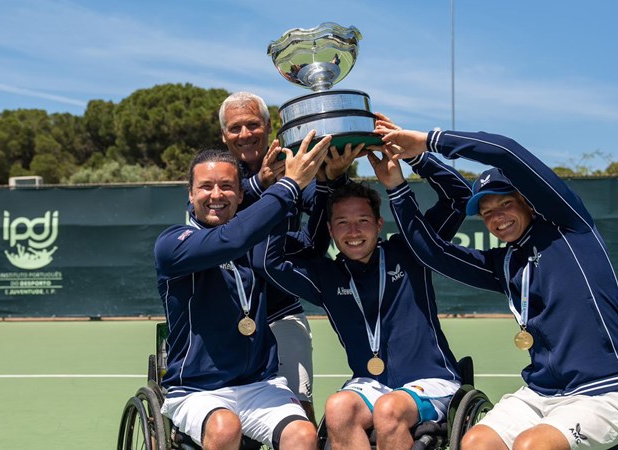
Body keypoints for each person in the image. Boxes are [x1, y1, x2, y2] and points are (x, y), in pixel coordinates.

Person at [376, 126, 618, 450]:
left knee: (532, 446)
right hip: (540, 395)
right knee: (475, 441)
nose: (497, 217)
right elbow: (433, 252)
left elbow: (506, 151)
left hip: (604, 393)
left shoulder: (570, 227)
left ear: (527, 203)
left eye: (505, 204)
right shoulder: (505, 264)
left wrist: (425, 147)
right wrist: (395, 186)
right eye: (487, 213)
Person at [253, 142, 472, 450]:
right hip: (370, 385)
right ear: (330, 230)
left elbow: (461, 197)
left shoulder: (411, 252)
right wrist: (286, 190)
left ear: (379, 224)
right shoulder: (325, 276)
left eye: (362, 221)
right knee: (338, 408)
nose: (353, 231)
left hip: (431, 382)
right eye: (342, 223)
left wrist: (414, 159)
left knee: (389, 409)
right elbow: (267, 261)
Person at [153, 130, 330, 450]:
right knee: (224, 428)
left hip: (260, 384)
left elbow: (309, 246)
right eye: (205, 187)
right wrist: (288, 186)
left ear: (239, 195)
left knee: (303, 436)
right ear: (190, 195)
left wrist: (330, 180)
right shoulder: (173, 244)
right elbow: (229, 240)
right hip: (196, 389)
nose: (216, 194)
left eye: (226, 187)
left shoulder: (257, 244)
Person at [218, 91, 359, 424]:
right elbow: (206, 216)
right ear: (224, 136)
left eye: (253, 124)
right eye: (235, 128)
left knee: (300, 413)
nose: (245, 134)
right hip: (225, 316)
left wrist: (333, 179)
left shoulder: (297, 164)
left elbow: (326, 212)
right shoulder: (219, 172)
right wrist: (259, 185)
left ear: (270, 127)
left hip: (283, 312)